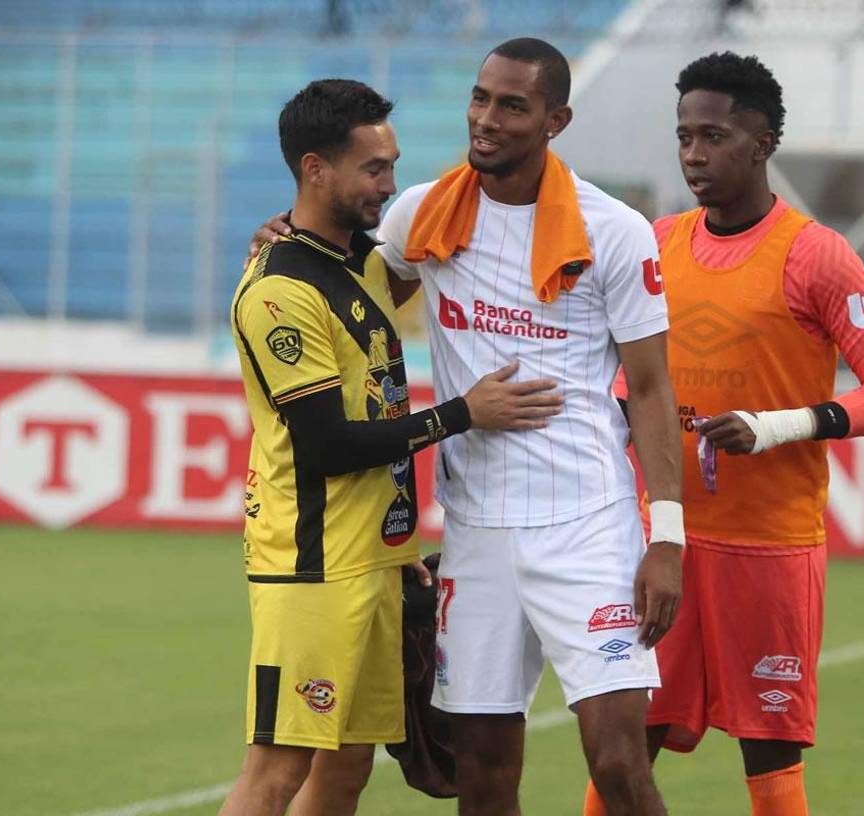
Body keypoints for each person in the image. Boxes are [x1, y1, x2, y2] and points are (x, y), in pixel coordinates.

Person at [255, 37, 685, 816]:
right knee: (479, 773)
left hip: (588, 523)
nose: (485, 120)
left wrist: (669, 537)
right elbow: (347, 291)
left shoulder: (614, 231)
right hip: (476, 531)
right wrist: (286, 242)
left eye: (512, 105)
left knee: (620, 762)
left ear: (556, 119)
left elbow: (652, 389)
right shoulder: (425, 211)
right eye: (480, 98)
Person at [581, 51, 864, 816]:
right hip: (662, 543)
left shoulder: (814, 254)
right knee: (621, 748)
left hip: (768, 548)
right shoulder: (657, 242)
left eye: (715, 136)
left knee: (769, 758)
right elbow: (627, 370)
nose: (694, 154)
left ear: (762, 144)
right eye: (684, 136)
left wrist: (780, 426)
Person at [222, 78, 563, 816]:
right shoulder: (280, 290)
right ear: (316, 169)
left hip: (376, 559)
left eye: (393, 164)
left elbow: (435, 246)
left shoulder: (364, 266)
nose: (389, 184)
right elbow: (324, 446)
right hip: (313, 563)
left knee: (345, 767)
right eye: (374, 168)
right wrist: (461, 414)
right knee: (277, 768)